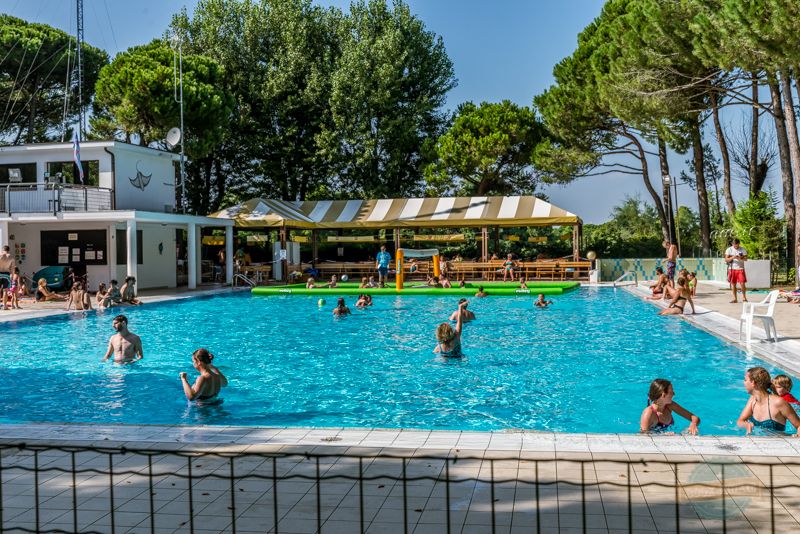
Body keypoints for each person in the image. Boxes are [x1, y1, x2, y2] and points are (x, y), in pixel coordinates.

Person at [737, 367, 800, 435]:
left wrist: (797, 436)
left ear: (753, 383)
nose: (744, 383)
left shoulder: (779, 402)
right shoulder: (753, 400)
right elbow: (740, 420)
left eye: (745, 380)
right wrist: (746, 425)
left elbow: (799, 425)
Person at [725, 238, 748, 303]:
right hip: (732, 268)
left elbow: (746, 259)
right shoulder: (729, 249)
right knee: (733, 283)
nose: (736, 247)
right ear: (732, 244)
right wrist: (732, 257)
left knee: (742, 283)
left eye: (737, 245)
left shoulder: (742, 249)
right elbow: (726, 259)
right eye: (735, 245)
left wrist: (741, 257)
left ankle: (744, 298)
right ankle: (735, 298)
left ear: (739, 244)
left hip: (740, 268)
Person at [0, 245, 15, 310]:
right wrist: (12, 277)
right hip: (6, 274)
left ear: (3, 249)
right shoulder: (11, 257)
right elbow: (13, 268)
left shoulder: (0, 255)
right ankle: (5, 306)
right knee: (5, 290)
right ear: (8, 250)